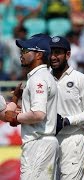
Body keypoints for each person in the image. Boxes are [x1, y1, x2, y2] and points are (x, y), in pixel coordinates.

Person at [4, 34, 59, 179]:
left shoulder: (38, 79)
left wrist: (16, 116)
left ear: (39, 55)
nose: (21, 54)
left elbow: (39, 114)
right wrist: (16, 101)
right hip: (41, 142)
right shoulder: (44, 76)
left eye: (25, 51)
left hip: (38, 144)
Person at [49, 36, 84, 179]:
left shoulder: (80, 79)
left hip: (73, 139)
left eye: (57, 52)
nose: (53, 57)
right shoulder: (45, 78)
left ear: (68, 55)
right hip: (49, 140)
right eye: (51, 52)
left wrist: (67, 121)